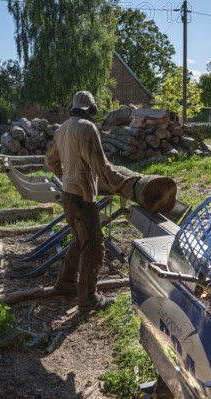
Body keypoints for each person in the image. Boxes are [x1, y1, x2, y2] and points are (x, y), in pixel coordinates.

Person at [45, 90, 136, 312]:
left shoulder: (62, 128)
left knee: (80, 241)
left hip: (69, 194)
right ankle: (88, 300)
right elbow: (101, 165)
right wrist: (125, 185)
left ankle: (65, 284)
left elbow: (50, 160)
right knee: (94, 247)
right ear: (92, 110)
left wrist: (66, 178)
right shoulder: (87, 128)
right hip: (82, 198)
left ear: (72, 107)